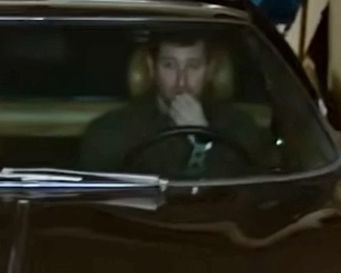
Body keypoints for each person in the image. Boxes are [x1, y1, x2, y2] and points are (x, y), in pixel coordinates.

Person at [77, 34, 273, 178]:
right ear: (152, 68)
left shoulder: (240, 128)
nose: (181, 82)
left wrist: (202, 142)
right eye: (169, 65)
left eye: (193, 66)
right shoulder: (111, 131)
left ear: (210, 69)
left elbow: (249, 195)